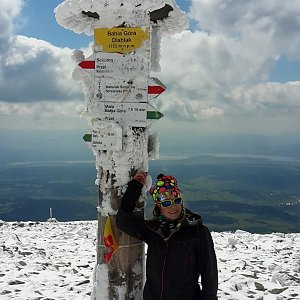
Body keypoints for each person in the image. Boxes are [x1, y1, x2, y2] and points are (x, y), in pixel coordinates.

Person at [116, 172, 218, 300]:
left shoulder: (197, 232)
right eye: (166, 203)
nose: (173, 206)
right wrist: (135, 187)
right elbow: (123, 221)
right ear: (159, 205)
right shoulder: (152, 230)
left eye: (176, 200)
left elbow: (209, 273)